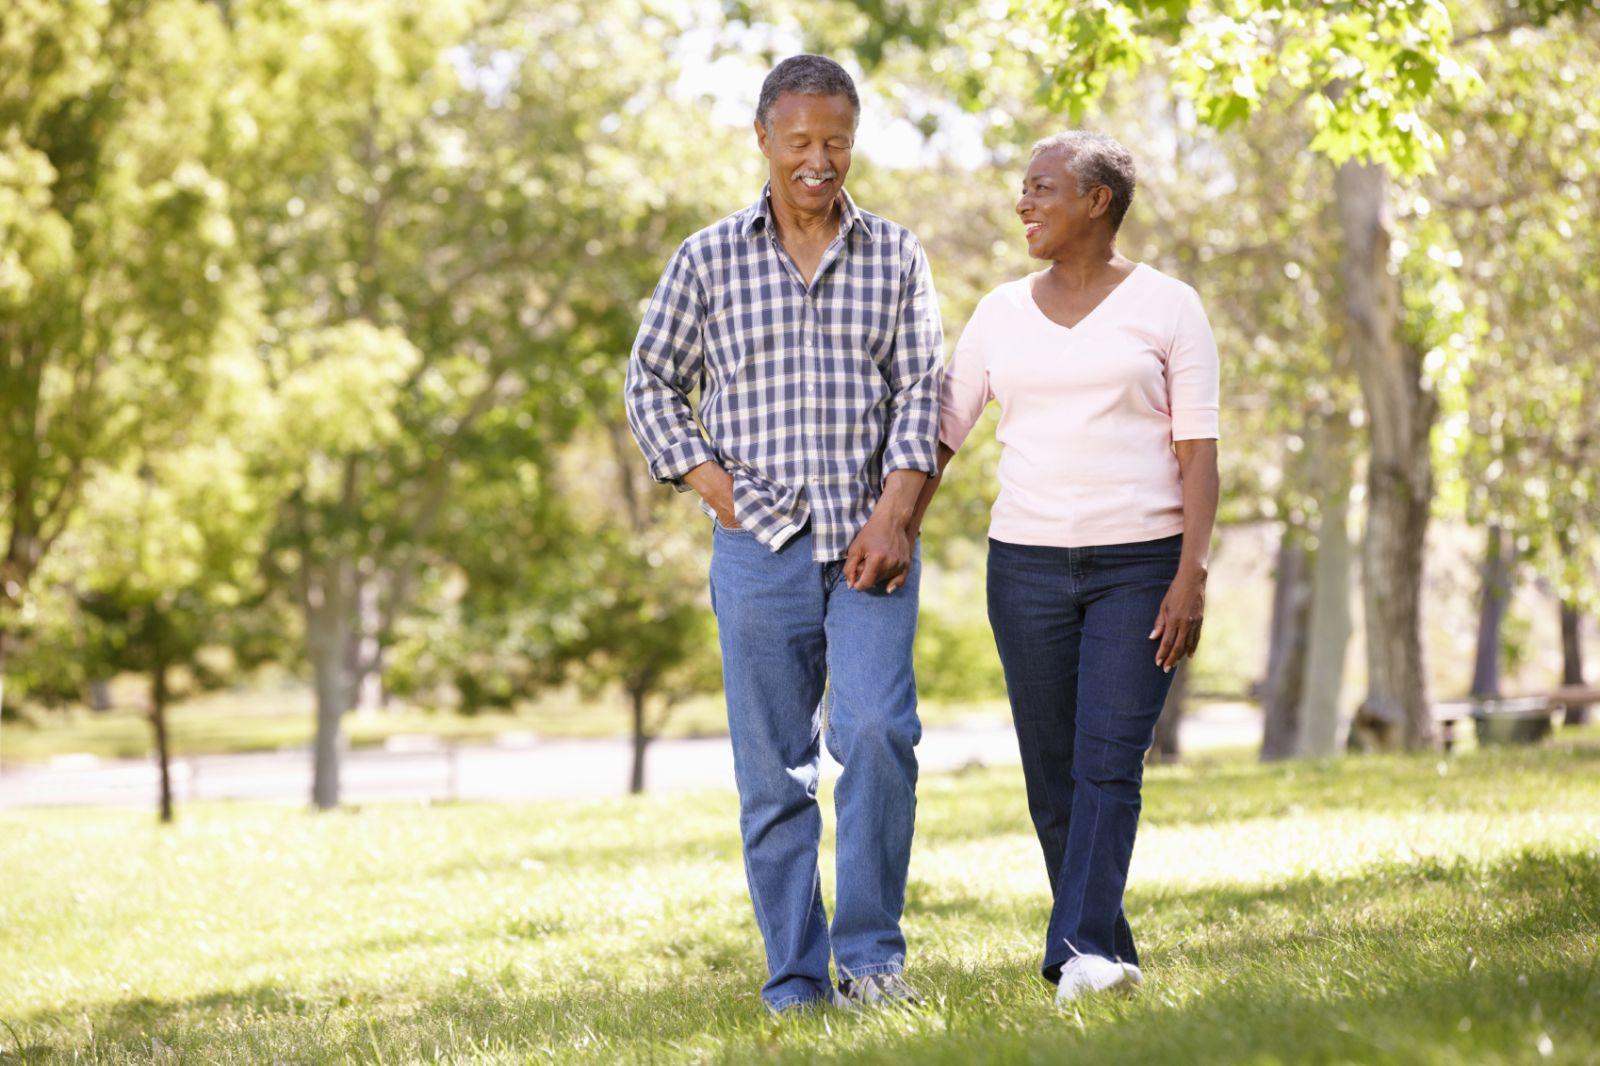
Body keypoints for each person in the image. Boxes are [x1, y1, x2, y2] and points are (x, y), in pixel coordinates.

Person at [623, 55, 942, 1014]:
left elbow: (925, 389)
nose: (819, 159)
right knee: (775, 777)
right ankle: (796, 979)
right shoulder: (708, 257)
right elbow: (649, 382)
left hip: (869, 545)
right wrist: (714, 486)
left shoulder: (895, 255)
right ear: (762, 139)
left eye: (836, 140)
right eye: (799, 140)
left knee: (879, 733)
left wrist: (898, 513)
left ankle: (873, 961)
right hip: (756, 548)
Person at [907, 130, 1221, 1004]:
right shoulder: (1000, 313)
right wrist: (899, 527)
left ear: (1097, 201)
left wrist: (1191, 573)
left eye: (1042, 188)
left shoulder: (1169, 306)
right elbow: (939, 437)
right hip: (1027, 569)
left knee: (1109, 761)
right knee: (1053, 774)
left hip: (1140, 565)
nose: (1024, 203)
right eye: (1023, 187)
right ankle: (1106, 951)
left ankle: (1075, 950)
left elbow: (1198, 452)